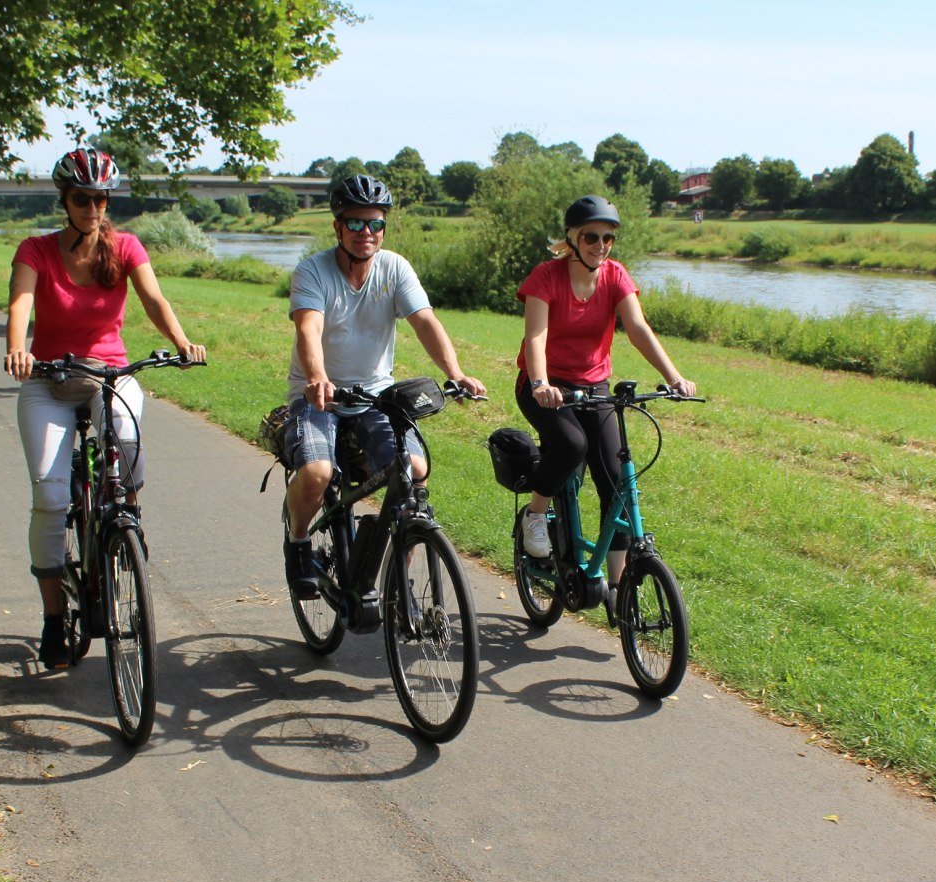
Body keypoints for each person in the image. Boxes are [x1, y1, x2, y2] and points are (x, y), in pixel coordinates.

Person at [2, 146, 207, 668]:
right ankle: (53, 618)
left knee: (126, 435)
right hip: (48, 379)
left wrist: (182, 342)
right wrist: (18, 348)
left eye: (100, 199)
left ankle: (124, 520)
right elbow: (21, 302)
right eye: (82, 199)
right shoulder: (35, 250)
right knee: (50, 497)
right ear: (64, 200)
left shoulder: (126, 247)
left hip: (107, 373)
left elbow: (154, 300)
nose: (92, 208)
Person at [281, 174, 486, 598]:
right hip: (319, 396)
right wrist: (317, 377)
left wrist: (456, 372)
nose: (366, 232)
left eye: (375, 223)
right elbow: (308, 328)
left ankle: (397, 579)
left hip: (375, 396)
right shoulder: (312, 271)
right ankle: (298, 541)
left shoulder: (395, 268)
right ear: (338, 227)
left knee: (413, 472)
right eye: (355, 223)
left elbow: (425, 321)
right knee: (317, 473)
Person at [515, 195, 696, 609]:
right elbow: (536, 336)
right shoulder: (546, 277)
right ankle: (536, 515)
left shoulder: (615, 276)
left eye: (608, 238)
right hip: (545, 384)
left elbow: (638, 328)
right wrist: (541, 382)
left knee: (617, 482)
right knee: (571, 444)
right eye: (591, 237)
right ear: (572, 238)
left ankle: (618, 590)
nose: (600, 245)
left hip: (594, 386)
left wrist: (674, 377)